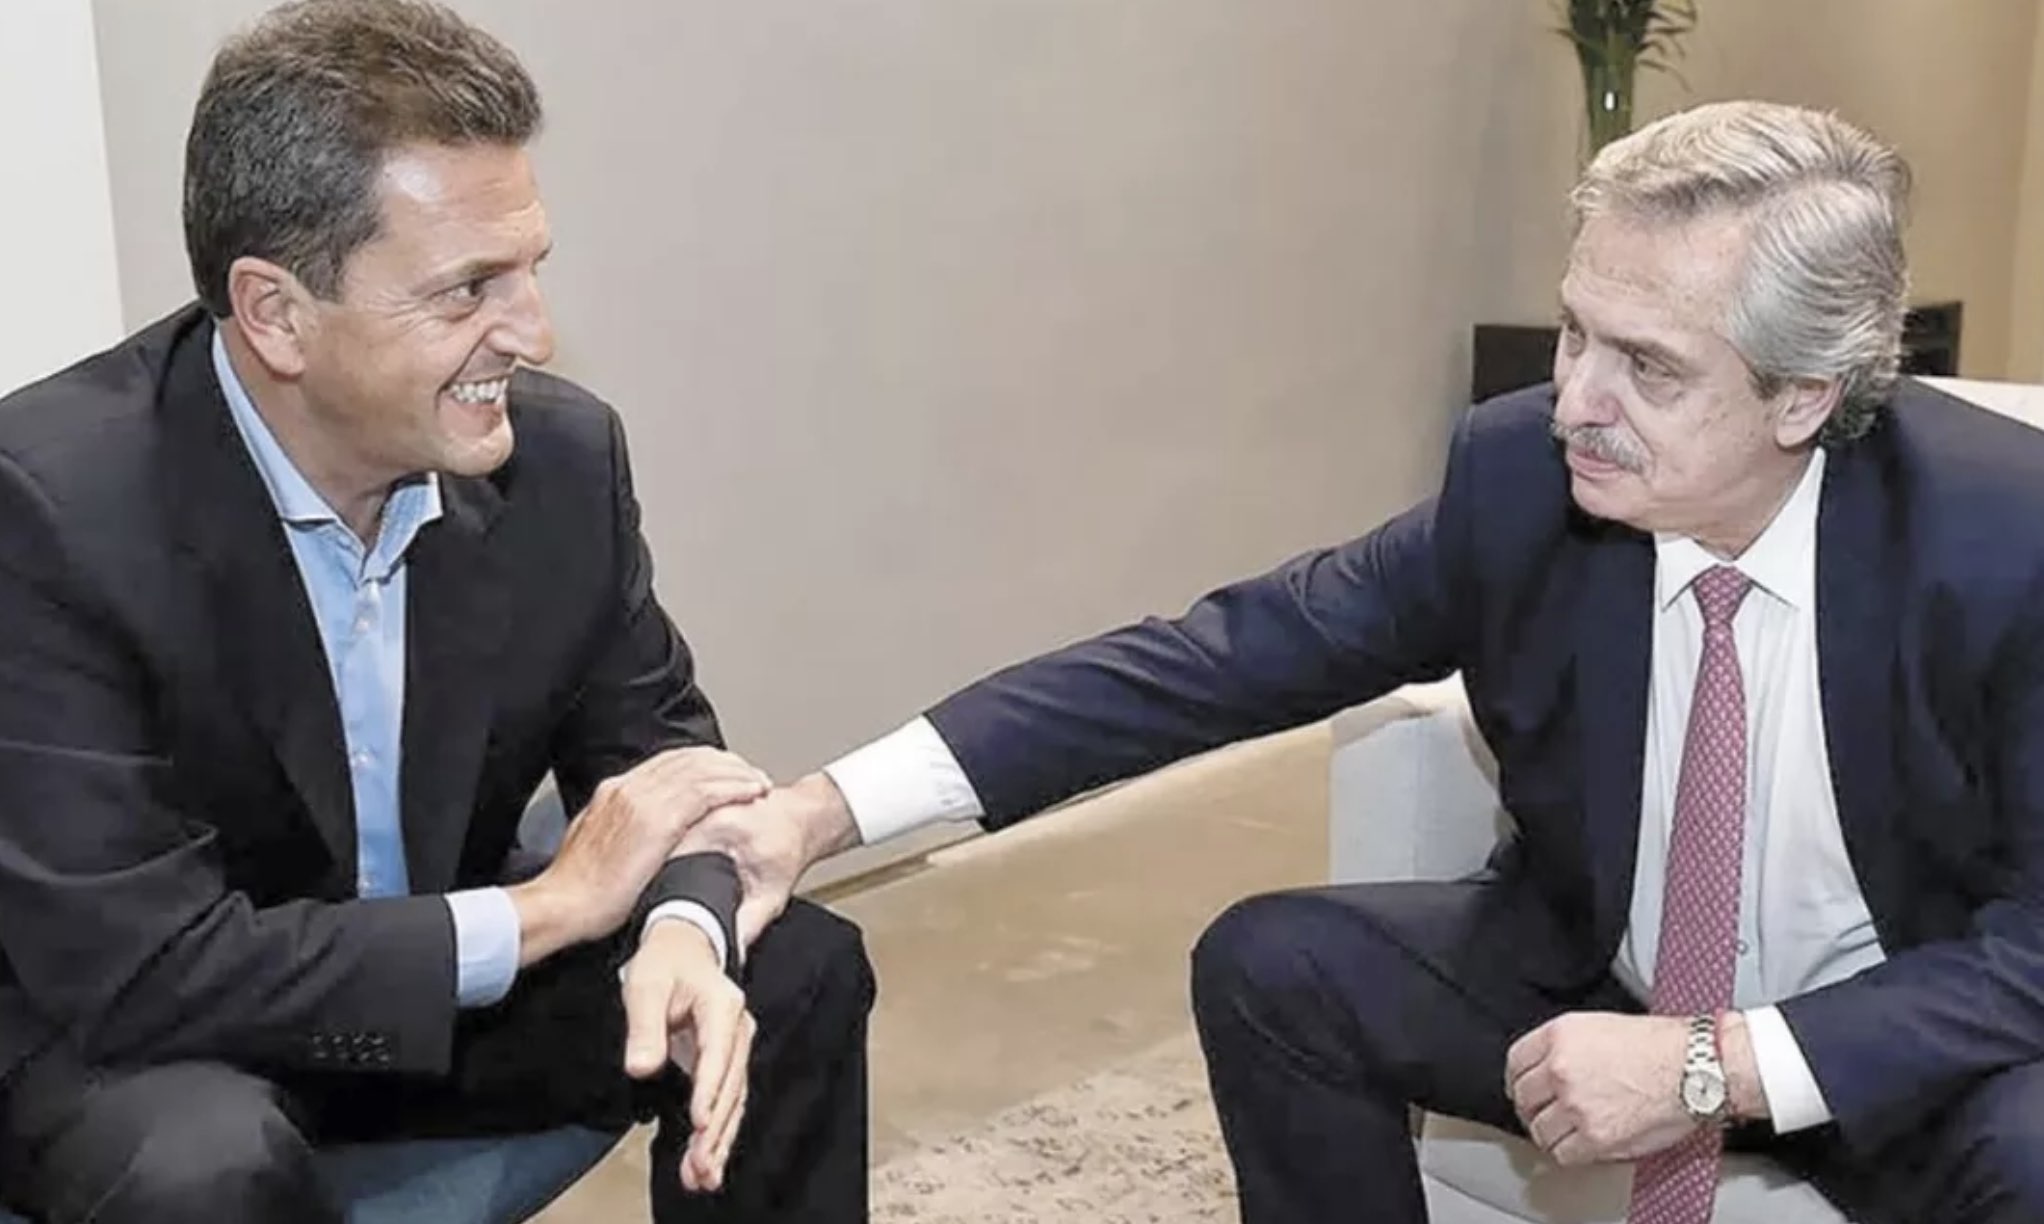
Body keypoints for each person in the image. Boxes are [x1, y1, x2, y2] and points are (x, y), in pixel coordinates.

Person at [630, 100, 2044, 1223]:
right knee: (1279, 968)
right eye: (1573, 331)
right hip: (1599, 971)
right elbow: (1216, 660)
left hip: (1900, 1032)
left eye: (1649, 367)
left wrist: (1713, 1067)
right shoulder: (1522, 483)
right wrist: (820, 813)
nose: (1572, 400)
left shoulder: (2006, 544)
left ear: (1805, 396)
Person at [0, 2, 870, 1221]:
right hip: (152, 1032)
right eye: (468, 290)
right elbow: (143, 965)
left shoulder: (560, 463)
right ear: (276, 313)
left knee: (792, 970)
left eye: (531, 269)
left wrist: (680, 926)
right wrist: (550, 908)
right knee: (203, 1168)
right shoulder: (49, 509)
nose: (535, 333)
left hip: (431, 984)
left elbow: (663, 759)